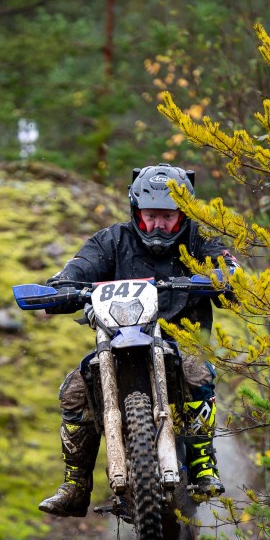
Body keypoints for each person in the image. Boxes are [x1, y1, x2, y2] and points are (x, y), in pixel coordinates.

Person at [38, 163, 241, 518]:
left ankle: (203, 467)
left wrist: (227, 277)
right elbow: (79, 267)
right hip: (119, 342)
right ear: (136, 211)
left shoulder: (200, 239)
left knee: (198, 373)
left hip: (182, 340)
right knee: (74, 390)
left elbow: (228, 269)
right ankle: (75, 485)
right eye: (151, 216)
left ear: (183, 214)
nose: (158, 224)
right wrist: (61, 287)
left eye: (167, 216)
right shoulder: (112, 240)